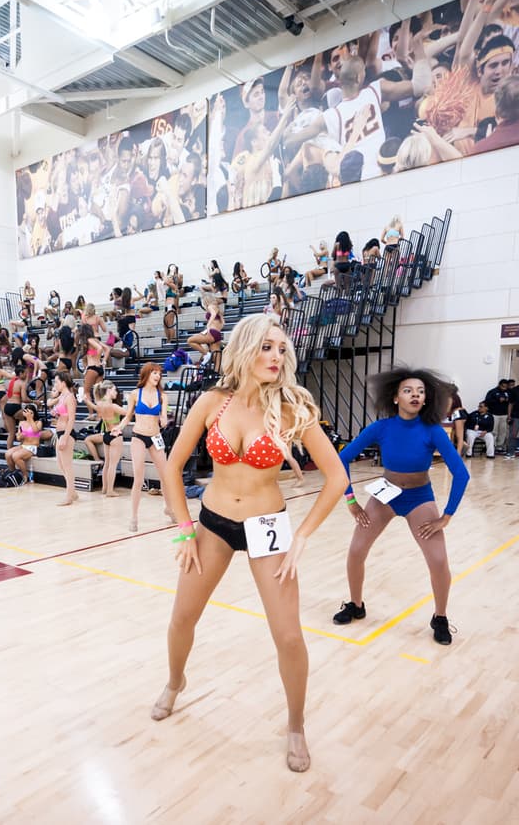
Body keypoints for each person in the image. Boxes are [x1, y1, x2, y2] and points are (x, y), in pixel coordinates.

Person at [152, 314, 347, 773]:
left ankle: (295, 724)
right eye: (266, 347)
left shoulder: (294, 406)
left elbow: (337, 477)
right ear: (244, 349)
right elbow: (173, 466)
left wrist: (302, 535)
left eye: (281, 349)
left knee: (288, 636)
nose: (276, 356)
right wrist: (184, 528)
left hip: (268, 527)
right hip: (214, 522)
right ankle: (176, 681)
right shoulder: (212, 402)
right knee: (182, 616)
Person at [333, 367, 470, 646]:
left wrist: (446, 516)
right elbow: (341, 459)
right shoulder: (381, 428)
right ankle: (356, 605)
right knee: (356, 551)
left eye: (420, 391)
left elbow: (461, 473)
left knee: (439, 560)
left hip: (419, 498)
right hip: (385, 496)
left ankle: (440, 617)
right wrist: (350, 500)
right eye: (408, 391)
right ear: (396, 398)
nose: (415, 395)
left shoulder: (433, 430)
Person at [113, 363, 172, 532]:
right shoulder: (134, 394)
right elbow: (128, 415)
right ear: (147, 374)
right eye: (154, 373)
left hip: (155, 437)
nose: (157, 376)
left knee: (165, 475)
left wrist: (164, 419)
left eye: (159, 374)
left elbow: (164, 417)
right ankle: (134, 517)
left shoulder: (162, 396)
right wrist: (120, 427)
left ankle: (168, 507)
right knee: (138, 479)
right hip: (139, 436)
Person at [50, 371, 79, 506]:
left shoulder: (69, 397)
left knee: (67, 466)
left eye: (56, 382)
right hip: (60, 432)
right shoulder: (62, 396)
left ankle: (69, 496)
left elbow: (72, 419)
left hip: (66, 433)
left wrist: (65, 437)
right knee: (60, 465)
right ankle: (72, 492)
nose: (55, 384)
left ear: (63, 382)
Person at [5, 404, 43, 479]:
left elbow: (35, 431)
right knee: (8, 454)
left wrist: (30, 419)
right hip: (23, 445)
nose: (28, 414)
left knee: (15, 456)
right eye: (27, 412)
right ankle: (13, 473)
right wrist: (20, 436)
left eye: (31, 412)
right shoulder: (21, 423)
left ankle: (25, 475)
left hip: (33, 447)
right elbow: (18, 438)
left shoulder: (38, 422)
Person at [483, 378, 512, 456]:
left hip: (504, 414)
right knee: (494, 431)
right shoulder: (492, 392)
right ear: (499, 385)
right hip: (494, 414)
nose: (504, 388)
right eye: (503, 386)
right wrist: (498, 399)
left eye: (506, 386)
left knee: (503, 431)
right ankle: (493, 446)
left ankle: (499, 446)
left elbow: (511, 402)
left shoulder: (508, 392)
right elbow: (487, 401)